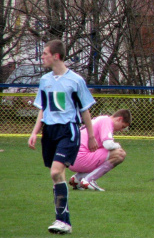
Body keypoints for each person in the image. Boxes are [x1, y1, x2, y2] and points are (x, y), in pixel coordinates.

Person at [28, 39, 97, 235]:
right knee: (57, 178)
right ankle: (63, 222)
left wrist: (91, 136)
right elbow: (43, 109)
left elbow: (85, 110)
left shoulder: (76, 81)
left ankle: (62, 220)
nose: (42, 57)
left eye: (45, 54)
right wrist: (34, 132)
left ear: (56, 56)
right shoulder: (45, 80)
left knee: (55, 172)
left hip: (68, 130)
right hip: (49, 132)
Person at [68, 109, 131, 191]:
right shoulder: (107, 121)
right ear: (119, 119)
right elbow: (108, 145)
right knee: (120, 154)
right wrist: (118, 145)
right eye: (123, 126)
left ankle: (78, 178)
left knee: (105, 154)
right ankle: (89, 180)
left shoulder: (100, 119)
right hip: (80, 158)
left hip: (70, 158)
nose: (121, 130)